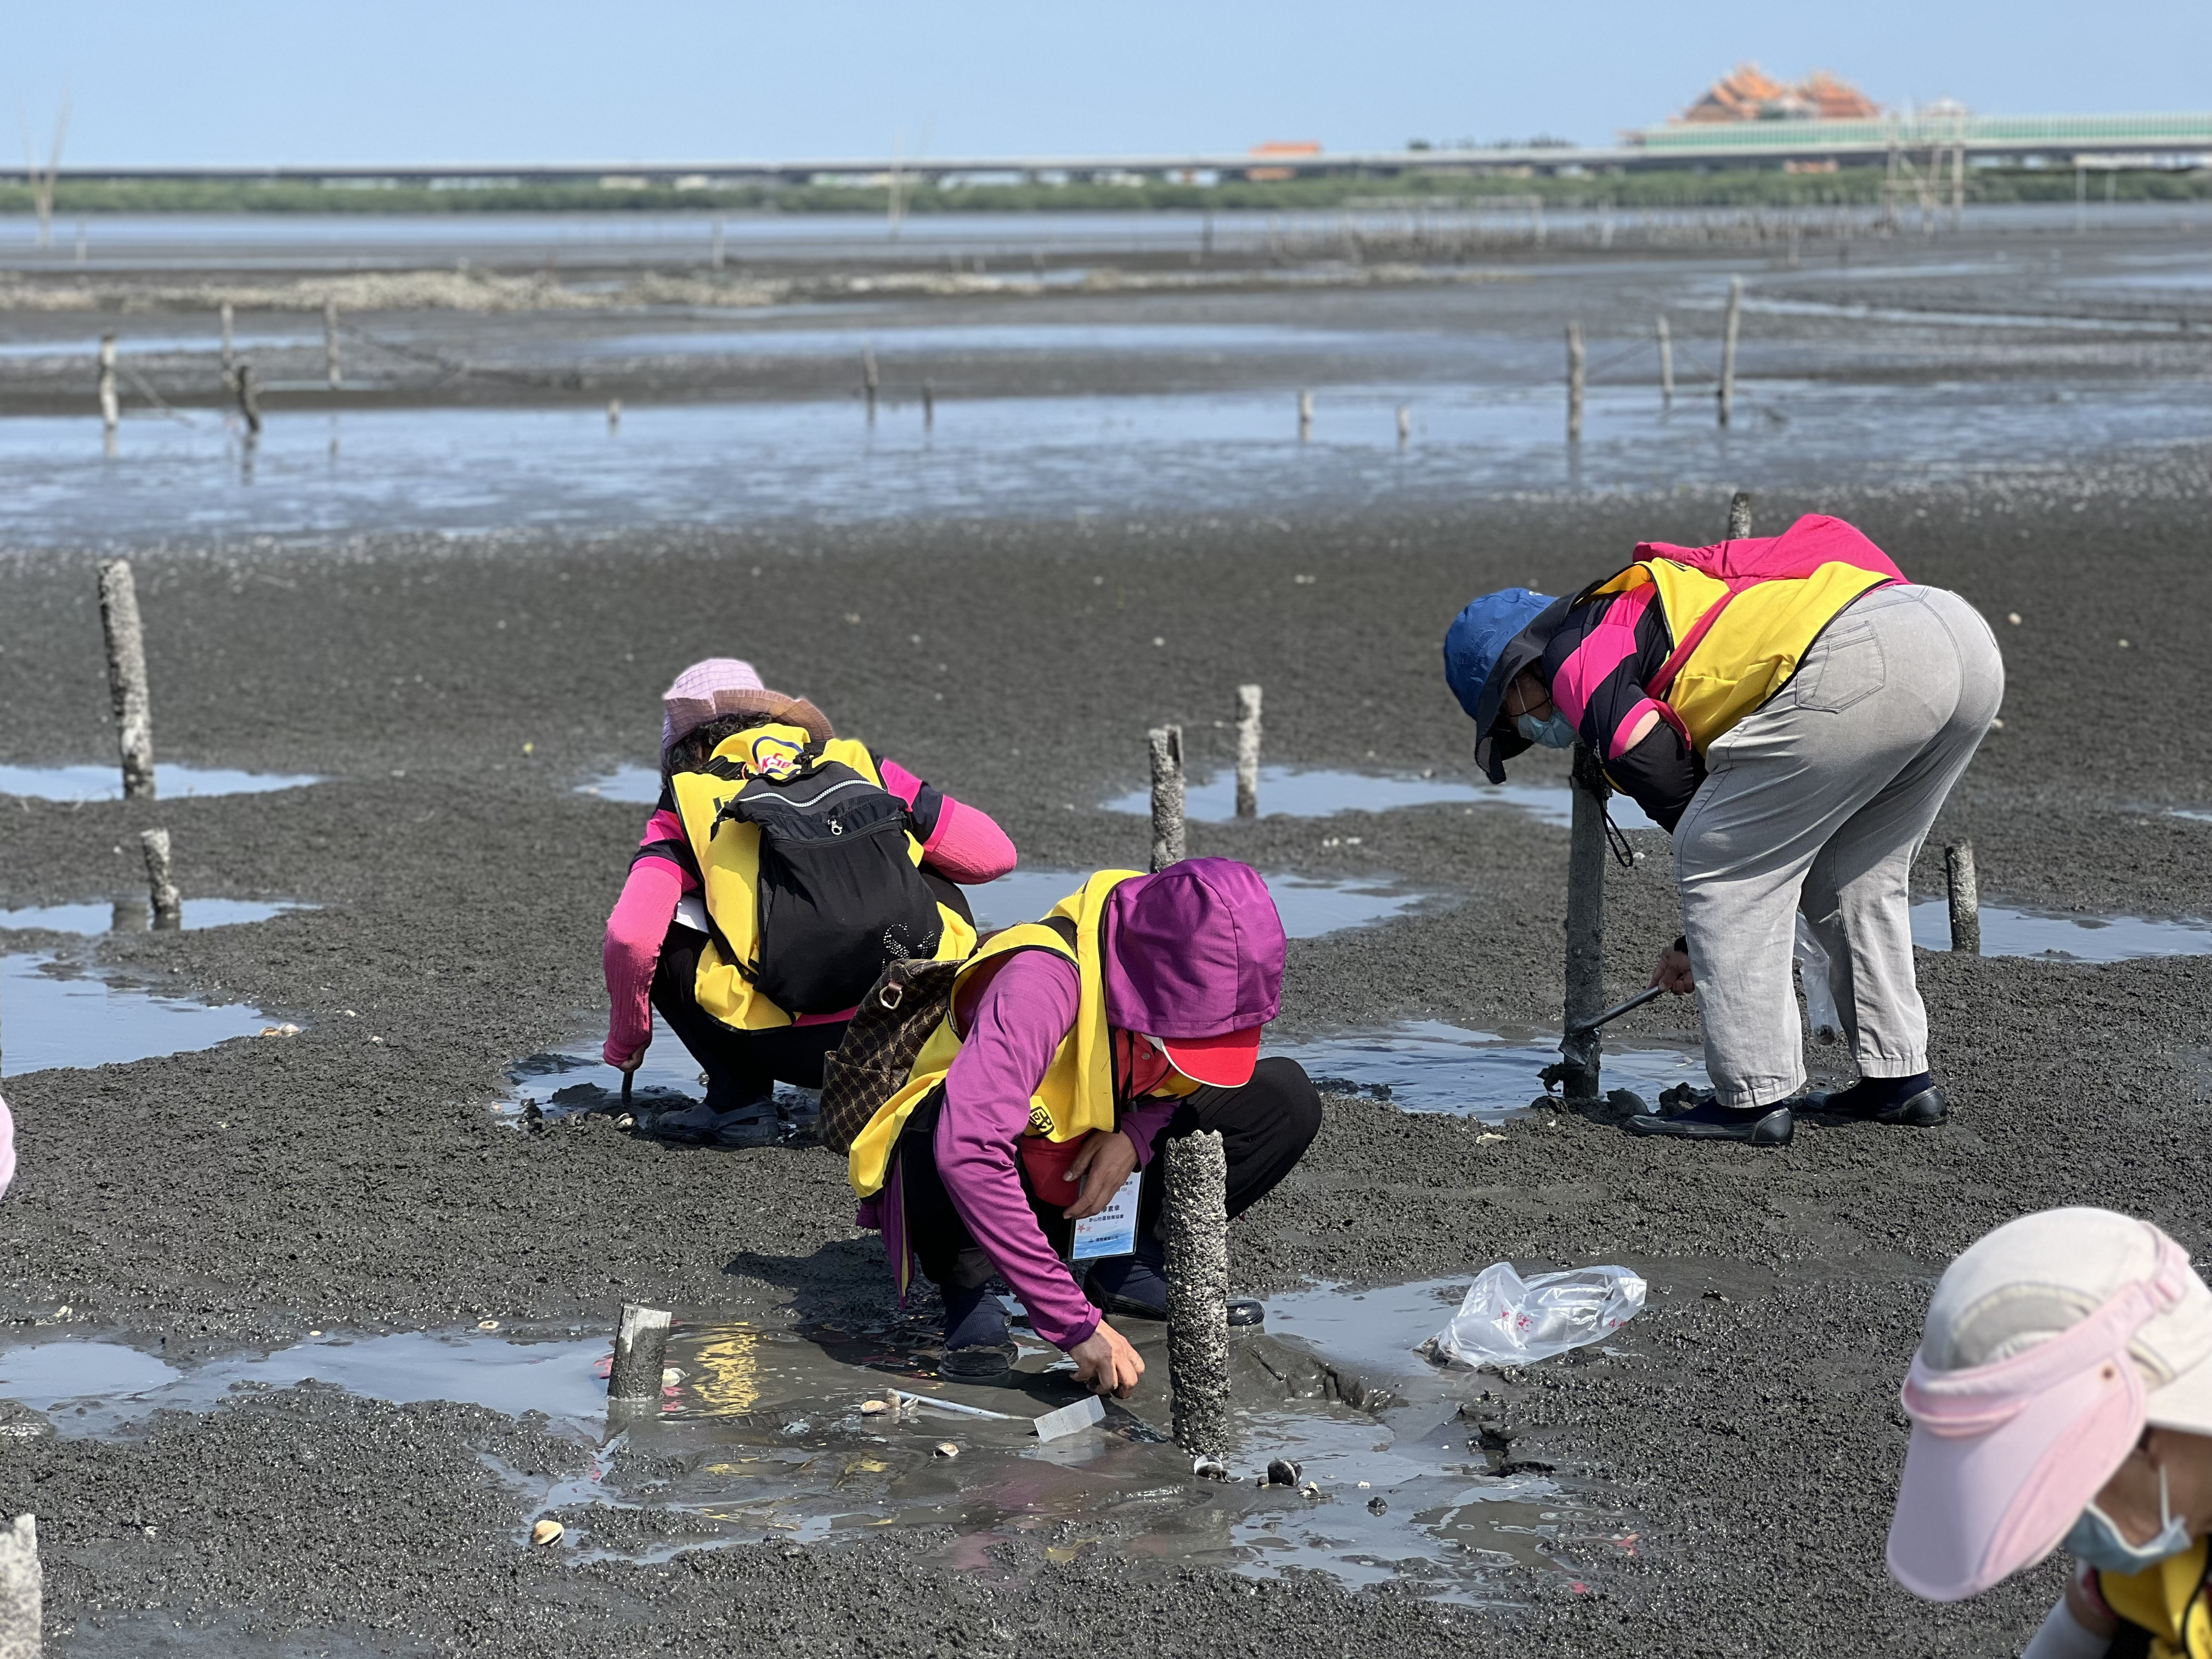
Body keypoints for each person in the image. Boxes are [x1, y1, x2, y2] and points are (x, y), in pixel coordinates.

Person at [1442, 512, 2004, 1146]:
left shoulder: (1575, 655)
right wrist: (1702, 939)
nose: (1523, 731)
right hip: (1954, 638)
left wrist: (1709, 928)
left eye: (1509, 717)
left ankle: (1751, 1099)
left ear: (1517, 670)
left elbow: (1660, 773)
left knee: (1717, 854)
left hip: (1867, 660)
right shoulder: (1652, 598)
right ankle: (1899, 1081)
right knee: (1851, 876)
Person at [845, 860, 1323, 1393]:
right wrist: (1073, 1325)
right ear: (1146, 980)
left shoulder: (1181, 960)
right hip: (972, 1186)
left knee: (1283, 1098)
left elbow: (1176, 1083)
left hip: (1087, 1177)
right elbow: (969, 1150)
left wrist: (1136, 1135)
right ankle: (969, 1293)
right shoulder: (1038, 982)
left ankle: (1129, 1266)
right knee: (944, 1123)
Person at [602, 658, 1018, 1125]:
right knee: (923, 860)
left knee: (669, 923)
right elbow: (993, 856)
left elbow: (630, 937)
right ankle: (921, 1070)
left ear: (691, 749)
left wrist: (627, 1039)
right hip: (920, 1023)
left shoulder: (687, 800)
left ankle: (737, 1103)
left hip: (792, 1050)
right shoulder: (861, 764)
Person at [1887, 1207, 2212, 1658]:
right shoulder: (2145, 1552)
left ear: (2142, 1443)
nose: (2064, 1532)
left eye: (2066, 1489)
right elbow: (2079, 1627)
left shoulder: (2161, 1521)